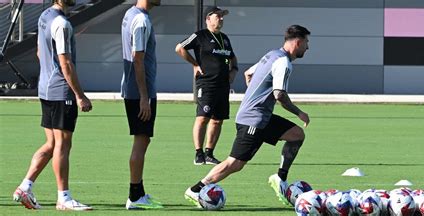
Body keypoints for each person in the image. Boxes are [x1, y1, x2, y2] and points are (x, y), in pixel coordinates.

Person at [184, 25, 311, 207]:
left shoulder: (272, 54)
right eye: (306, 43)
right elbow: (279, 95)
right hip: (253, 119)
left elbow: (248, 73)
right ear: (298, 42)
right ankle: (196, 189)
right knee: (234, 164)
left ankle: (280, 178)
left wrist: (256, 92)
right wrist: (299, 112)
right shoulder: (283, 63)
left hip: (261, 116)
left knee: (297, 135)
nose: (307, 47)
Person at [12, 0, 93, 211]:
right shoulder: (62, 24)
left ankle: (24, 187)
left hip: (46, 90)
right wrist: (80, 95)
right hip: (60, 92)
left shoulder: (44, 16)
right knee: (62, 145)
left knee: (51, 144)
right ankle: (63, 198)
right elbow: (65, 63)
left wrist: (49, 73)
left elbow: (40, 53)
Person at [175, 6, 238, 165]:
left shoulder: (225, 38)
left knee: (218, 120)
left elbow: (232, 57)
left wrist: (234, 70)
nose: (221, 19)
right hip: (207, 83)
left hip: (223, 84)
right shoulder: (200, 36)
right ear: (208, 19)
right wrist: (195, 64)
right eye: (218, 16)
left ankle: (209, 153)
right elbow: (179, 48)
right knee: (203, 117)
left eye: (222, 16)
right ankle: (198, 153)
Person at [121, 0, 164, 210]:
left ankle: (138, 192)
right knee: (141, 141)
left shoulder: (130, 13)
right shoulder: (140, 20)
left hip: (135, 91)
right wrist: (144, 97)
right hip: (139, 92)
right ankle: (135, 195)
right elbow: (137, 59)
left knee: (143, 140)